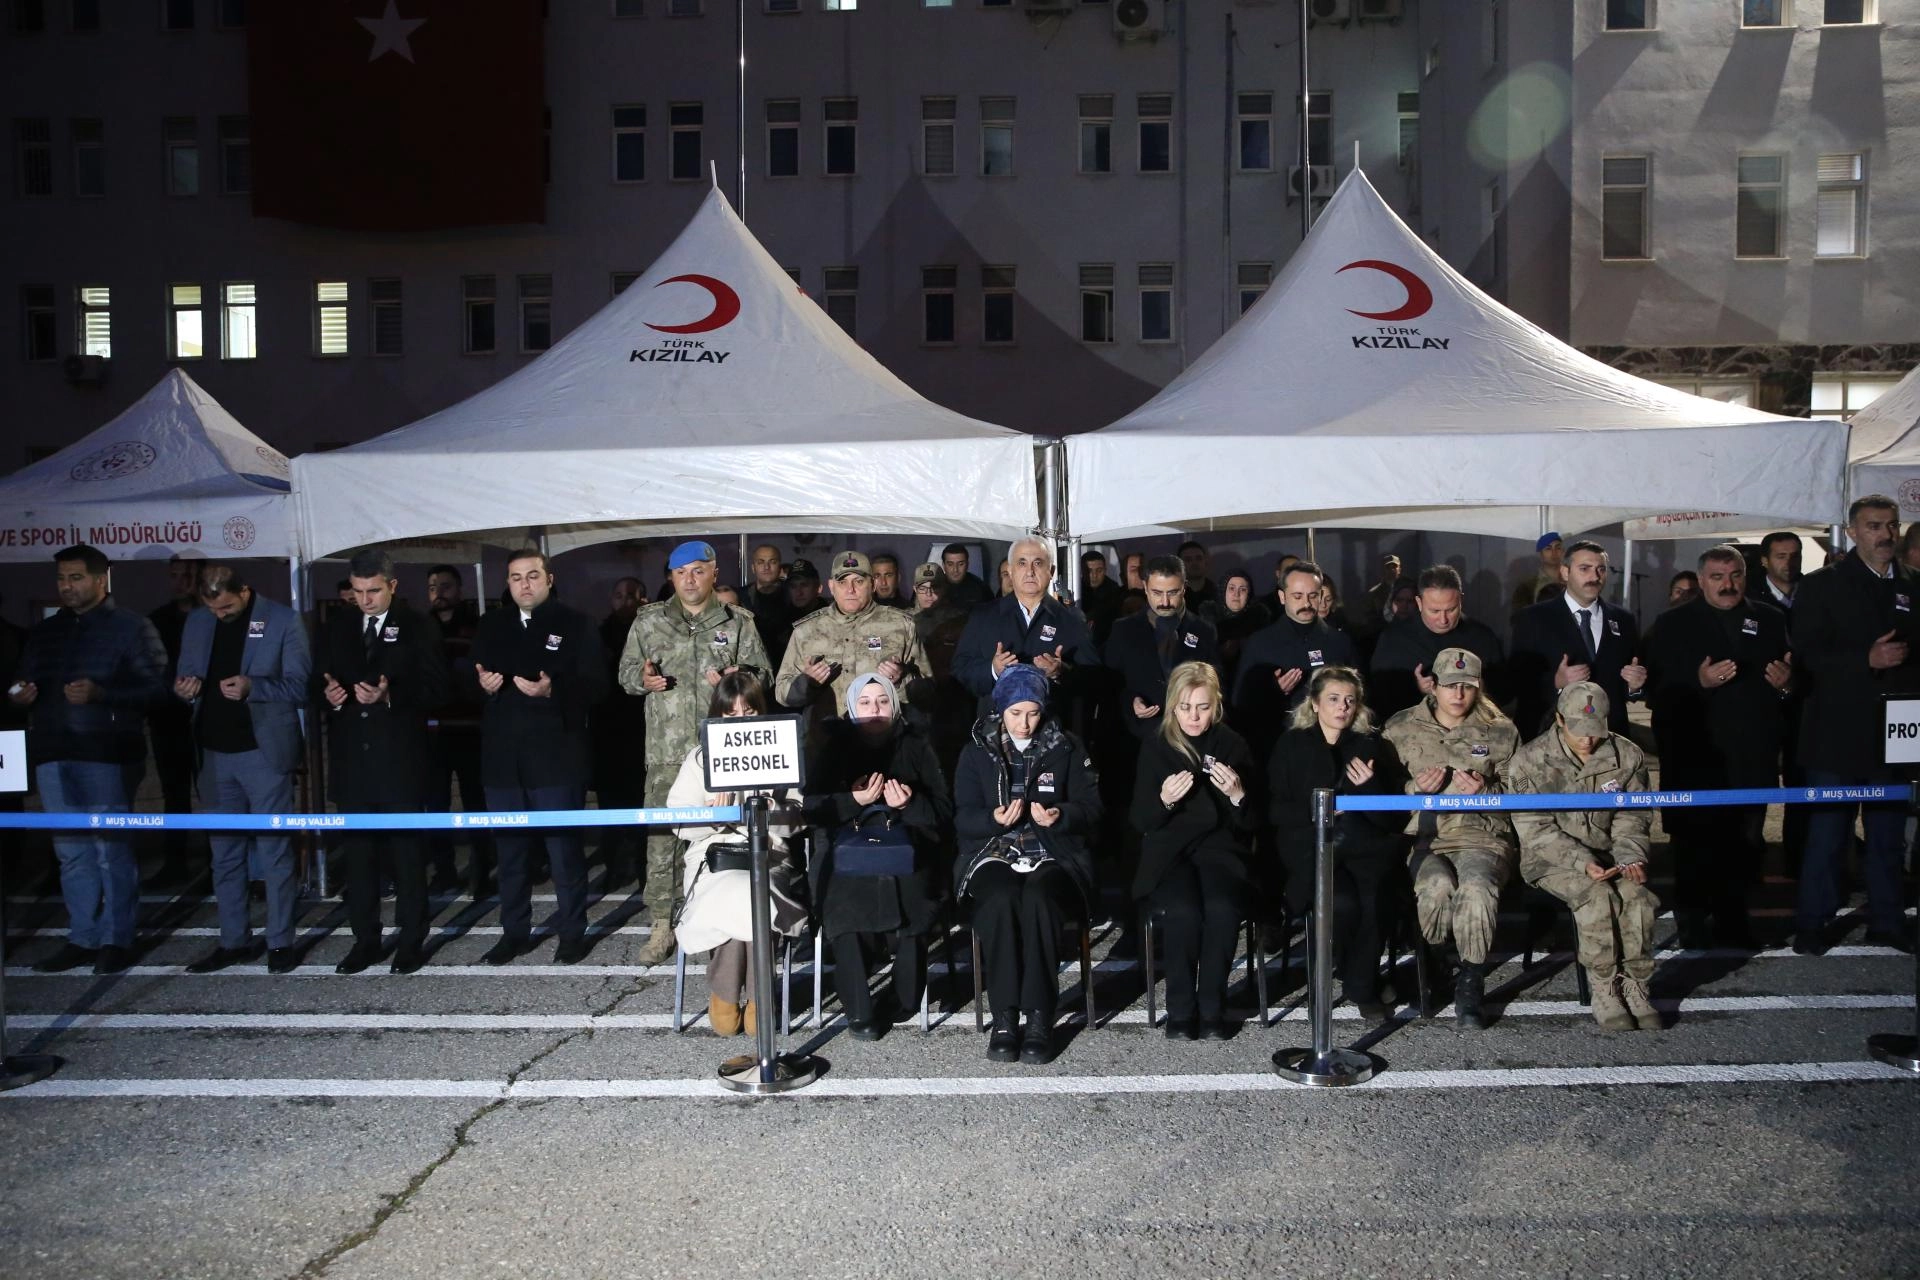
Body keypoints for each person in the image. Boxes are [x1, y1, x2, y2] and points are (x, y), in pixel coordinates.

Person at [12, 544, 168, 975]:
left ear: (101, 580)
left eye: (76, 578)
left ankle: (117, 938)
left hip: (106, 753)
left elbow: (157, 691)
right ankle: (82, 936)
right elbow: (23, 679)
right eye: (62, 578)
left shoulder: (132, 627)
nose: (66, 586)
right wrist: (21, 694)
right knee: (71, 852)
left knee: (110, 849)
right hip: (53, 751)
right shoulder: (46, 631)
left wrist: (103, 695)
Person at [618, 540, 771, 964]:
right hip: (666, 750)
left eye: (698, 571)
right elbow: (625, 673)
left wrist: (739, 676)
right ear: (671, 577)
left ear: (714, 574)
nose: (689, 580)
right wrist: (643, 680)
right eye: (681, 572)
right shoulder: (649, 621)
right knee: (662, 839)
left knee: (727, 831)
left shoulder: (738, 622)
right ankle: (661, 924)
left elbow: (764, 675)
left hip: (725, 750)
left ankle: (719, 916)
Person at [953, 663, 1102, 1064]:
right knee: (1000, 900)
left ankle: (1039, 1015)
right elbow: (961, 816)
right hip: (993, 850)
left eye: (1033, 713)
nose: (1024, 723)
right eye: (1016, 713)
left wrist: (1061, 815)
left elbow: (1092, 808)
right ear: (1000, 710)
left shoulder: (1066, 746)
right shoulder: (977, 750)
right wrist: (992, 819)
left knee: (1039, 899)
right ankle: (1005, 1016)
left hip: (1052, 852)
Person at [1791, 495, 1920, 954]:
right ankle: (1813, 922)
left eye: (1891, 525)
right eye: (1873, 526)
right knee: (1828, 835)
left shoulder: (1914, 585)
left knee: (1887, 835)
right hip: (1836, 733)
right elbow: (1806, 656)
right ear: (1851, 532)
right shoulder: (1820, 586)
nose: (1885, 534)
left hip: (1896, 734)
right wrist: (1865, 659)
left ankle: (1887, 920)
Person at [1645, 546, 1791, 949]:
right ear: (1701, 580)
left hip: (1751, 755)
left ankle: (1734, 921)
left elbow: (1792, 683)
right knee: (1693, 845)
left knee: (1746, 843)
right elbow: (1655, 688)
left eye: (1735, 575)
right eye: (1717, 577)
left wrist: (1787, 685)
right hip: (1694, 755)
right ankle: (1692, 921)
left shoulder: (1772, 618)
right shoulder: (1672, 623)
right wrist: (1699, 682)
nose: (1728, 585)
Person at [312, 548, 449, 975]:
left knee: (407, 858)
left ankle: (411, 939)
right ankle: (365, 940)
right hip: (353, 762)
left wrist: (391, 696)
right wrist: (330, 697)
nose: (365, 600)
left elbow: (439, 689)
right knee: (359, 860)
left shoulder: (418, 626)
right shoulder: (337, 626)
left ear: (392, 585)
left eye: (373, 591)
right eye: (357, 592)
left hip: (400, 762)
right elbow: (315, 682)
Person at [470, 550, 606, 966]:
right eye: (516, 577)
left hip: (555, 757)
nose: (524, 584)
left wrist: (554, 690)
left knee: (563, 853)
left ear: (549, 579)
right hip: (503, 759)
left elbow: (598, 686)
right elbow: (468, 680)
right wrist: (483, 685)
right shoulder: (491, 624)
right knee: (510, 856)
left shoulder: (576, 623)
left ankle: (572, 932)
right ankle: (514, 932)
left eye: (532, 576)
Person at [174, 566, 311, 975]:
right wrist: (184, 689)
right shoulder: (197, 622)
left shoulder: (283, 620)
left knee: (274, 851)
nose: (220, 615)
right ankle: (233, 941)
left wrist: (254, 687)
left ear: (245, 591)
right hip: (213, 753)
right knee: (224, 855)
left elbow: (301, 685)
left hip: (263, 753)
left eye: (227, 607)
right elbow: (184, 677)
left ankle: (280, 941)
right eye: (213, 608)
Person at [804, 672, 951, 1040]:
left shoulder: (917, 745)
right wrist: (853, 801)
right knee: (844, 904)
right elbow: (812, 809)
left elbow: (944, 811)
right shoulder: (836, 747)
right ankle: (859, 1010)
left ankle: (904, 998)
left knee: (915, 895)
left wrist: (909, 804)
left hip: (908, 847)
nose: (874, 710)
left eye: (883, 701)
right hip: (848, 852)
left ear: (895, 706)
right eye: (865, 702)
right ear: (852, 708)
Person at [1380, 647, 1521, 1028]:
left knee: (1476, 887)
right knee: (1437, 887)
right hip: (1424, 837)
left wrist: (1486, 791)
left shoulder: (1501, 731)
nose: (1458, 694)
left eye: (1467, 686)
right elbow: (1381, 791)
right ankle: (1438, 960)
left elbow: (1523, 793)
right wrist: (1413, 788)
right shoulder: (1400, 727)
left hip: (1482, 837)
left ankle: (1471, 979)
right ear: (1433, 686)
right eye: (1450, 686)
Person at [1509, 683, 1660, 1032]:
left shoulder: (1626, 755)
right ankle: (1604, 986)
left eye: (1595, 729)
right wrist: (1582, 862)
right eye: (1578, 728)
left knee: (1638, 897)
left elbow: (1633, 815)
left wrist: (1630, 856)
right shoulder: (1529, 760)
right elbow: (1534, 829)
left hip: (1611, 852)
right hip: (1552, 860)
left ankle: (1636, 984)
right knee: (1597, 896)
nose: (1588, 739)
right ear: (1560, 719)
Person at [1267, 666, 1408, 1021]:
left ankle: (1361, 984)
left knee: (1376, 899)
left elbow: (1392, 818)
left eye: (1349, 700)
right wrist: (1317, 812)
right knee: (1342, 903)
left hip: (1364, 847)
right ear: (1315, 703)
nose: (1342, 707)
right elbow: (1275, 808)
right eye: (1333, 699)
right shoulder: (1291, 745)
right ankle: (1355, 975)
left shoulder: (1370, 746)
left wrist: (1370, 788)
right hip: (1308, 848)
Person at [668, 672, 800, 1036]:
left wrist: (773, 810)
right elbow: (677, 821)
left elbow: (798, 820)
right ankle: (746, 995)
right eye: (731, 714)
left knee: (752, 893)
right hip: (714, 857)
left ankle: (742, 997)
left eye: (749, 712)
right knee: (739, 894)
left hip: (769, 855)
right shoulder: (699, 759)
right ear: (718, 715)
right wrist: (712, 817)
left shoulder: (780, 753)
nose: (741, 721)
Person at [1130, 661, 1254, 1039]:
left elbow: (1253, 822)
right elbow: (1139, 820)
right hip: (1170, 852)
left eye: (1203, 707)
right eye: (1185, 707)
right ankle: (1181, 1010)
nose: (1194, 717)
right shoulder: (1157, 745)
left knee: (1222, 908)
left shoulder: (1232, 744)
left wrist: (1238, 796)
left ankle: (1213, 1007)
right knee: (1183, 911)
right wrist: (1164, 800)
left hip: (1220, 850)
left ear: (1216, 705)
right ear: (1173, 706)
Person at [952, 537, 1102, 728]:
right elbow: (960, 668)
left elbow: (1094, 678)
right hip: (995, 731)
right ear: (1010, 571)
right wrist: (993, 670)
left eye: (1038, 563)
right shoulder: (983, 616)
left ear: (1051, 572)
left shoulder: (1071, 619)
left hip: (1052, 732)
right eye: (1022, 563)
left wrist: (1061, 672)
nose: (1030, 571)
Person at [773, 550, 925, 731]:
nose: (850, 589)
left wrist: (901, 679)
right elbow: (782, 694)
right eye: (842, 582)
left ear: (873, 584)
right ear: (831, 586)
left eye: (858, 581)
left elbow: (927, 692)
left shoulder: (901, 625)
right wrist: (807, 683)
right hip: (827, 738)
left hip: (883, 737)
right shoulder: (806, 630)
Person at [1509, 541, 1643, 736]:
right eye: (1584, 569)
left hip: (1608, 736)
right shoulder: (1532, 619)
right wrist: (1556, 683)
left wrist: (1634, 686)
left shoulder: (1624, 620)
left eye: (1601, 569)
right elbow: (1516, 680)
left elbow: (1630, 683)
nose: (1594, 577)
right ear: (1565, 572)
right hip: (1552, 737)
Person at [1231, 560, 1357, 754]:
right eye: (1297, 596)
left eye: (1312, 596)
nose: (1306, 603)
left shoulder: (1340, 642)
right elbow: (1239, 703)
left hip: (1332, 748)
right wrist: (1273, 691)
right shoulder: (1260, 643)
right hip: (1277, 747)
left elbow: (1361, 696)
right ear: (1282, 597)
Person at [1105, 555, 1219, 741]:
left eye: (1172, 593)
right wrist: (1131, 701)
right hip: (1138, 739)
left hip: (1189, 738)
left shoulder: (1203, 630)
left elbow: (1216, 684)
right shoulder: (1123, 630)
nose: (1165, 602)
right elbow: (1110, 683)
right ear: (1145, 587)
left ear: (1184, 587)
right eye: (1157, 593)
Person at [1370, 565, 1507, 718]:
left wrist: (1478, 689)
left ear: (1461, 600)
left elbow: (1502, 693)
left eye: (1451, 610)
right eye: (1434, 611)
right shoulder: (1393, 639)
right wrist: (1416, 689)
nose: (1443, 620)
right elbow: (1378, 696)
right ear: (1419, 602)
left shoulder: (1482, 637)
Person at [425, 563, 485, 895]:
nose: (439, 592)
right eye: (433, 587)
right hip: (432, 734)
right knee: (436, 806)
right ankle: (444, 871)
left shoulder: (476, 627)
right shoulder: (421, 629)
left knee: (476, 803)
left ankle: (481, 872)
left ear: (460, 590)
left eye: (445, 586)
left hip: (471, 730)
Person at [145, 552, 204, 886]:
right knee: (174, 794)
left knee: (213, 798)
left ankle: (217, 866)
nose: (180, 583)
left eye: (187, 575)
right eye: (175, 575)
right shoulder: (157, 620)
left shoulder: (214, 616)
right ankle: (175, 863)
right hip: (168, 720)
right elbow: (149, 670)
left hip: (206, 720)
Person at [594, 577, 648, 888]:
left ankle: (644, 870)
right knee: (610, 808)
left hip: (642, 732)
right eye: (618, 595)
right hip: (607, 733)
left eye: (630, 595)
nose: (624, 601)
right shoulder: (599, 635)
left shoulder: (651, 634)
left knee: (642, 808)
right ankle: (614, 867)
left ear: (643, 600)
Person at [1205, 569, 1271, 685]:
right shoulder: (1206, 625)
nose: (1236, 594)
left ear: (1249, 594)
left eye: (1243, 589)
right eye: (1231, 588)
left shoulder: (1261, 625)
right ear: (1223, 591)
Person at [746, 544, 795, 672]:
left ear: (780, 567)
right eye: (760, 562)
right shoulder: (743, 598)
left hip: (789, 668)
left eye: (772, 562)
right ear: (753, 567)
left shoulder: (794, 596)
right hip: (754, 670)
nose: (766, 567)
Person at [1078, 549, 1125, 646]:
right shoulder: (1075, 590)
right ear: (1082, 571)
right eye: (1089, 571)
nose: (1094, 575)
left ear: (1105, 570)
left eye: (1099, 570)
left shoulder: (1115, 591)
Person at [1511, 533, 1566, 617]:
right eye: (1548, 548)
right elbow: (1520, 617)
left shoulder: (1573, 580)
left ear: (1563, 552)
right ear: (1540, 554)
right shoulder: (1526, 588)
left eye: (1558, 548)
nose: (1554, 553)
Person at [940, 543, 992, 611]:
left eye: (960, 564)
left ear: (967, 564)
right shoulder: (933, 587)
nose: (955, 570)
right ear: (943, 565)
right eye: (950, 564)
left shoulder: (981, 588)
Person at [1757, 531, 1801, 612]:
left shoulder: (1817, 592)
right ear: (1765, 561)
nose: (1789, 562)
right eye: (1781, 557)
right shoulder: (1748, 597)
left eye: (1795, 556)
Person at [1177, 540, 1217, 613]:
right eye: (1188, 560)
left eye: (1199, 558)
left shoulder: (1218, 594)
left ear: (1205, 562)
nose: (1194, 563)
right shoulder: (1173, 596)